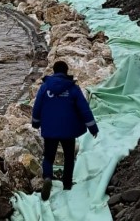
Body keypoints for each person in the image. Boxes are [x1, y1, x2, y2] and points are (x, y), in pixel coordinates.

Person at [31, 60, 99, 200]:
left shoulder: (45, 88)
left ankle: (48, 177)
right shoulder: (73, 88)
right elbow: (84, 109)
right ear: (66, 71)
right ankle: (67, 183)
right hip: (69, 130)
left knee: (48, 157)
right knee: (69, 157)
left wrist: (36, 123)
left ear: (54, 71)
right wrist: (93, 128)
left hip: (50, 129)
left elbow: (37, 106)